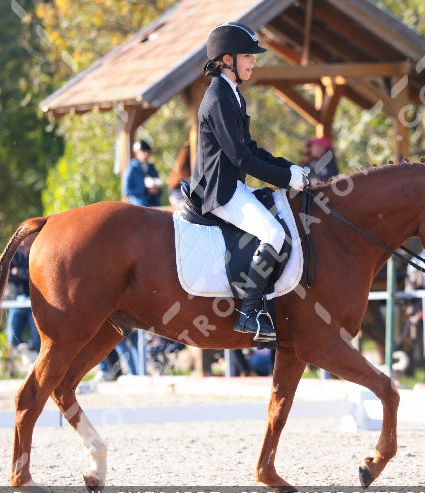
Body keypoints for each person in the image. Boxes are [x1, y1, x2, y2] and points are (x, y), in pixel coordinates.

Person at [190, 21, 307, 347]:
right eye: (247, 56)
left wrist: (289, 168)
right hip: (220, 191)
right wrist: (285, 179)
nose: (253, 61)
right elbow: (241, 158)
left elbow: (251, 149)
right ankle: (249, 312)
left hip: (233, 185)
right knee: (274, 234)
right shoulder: (218, 99)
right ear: (227, 60)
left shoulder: (232, 94)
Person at [8, 234, 40, 359]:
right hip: (17, 301)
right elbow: (8, 275)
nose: (23, 238)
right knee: (12, 336)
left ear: (33, 237)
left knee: (36, 338)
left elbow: (36, 275)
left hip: (34, 302)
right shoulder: (15, 255)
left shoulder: (38, 252)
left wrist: (18, 272)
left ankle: (35, 363)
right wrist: (24, 274)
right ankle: (30, 356)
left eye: (26, 236)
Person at [124, 139, 162, 207]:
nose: (146, 154)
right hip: (139, 206)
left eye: (148, 151)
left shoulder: (151, 167)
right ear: (137, 153)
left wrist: (156, 190)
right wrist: (145, 190)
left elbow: (158, 185)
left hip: (154, 205)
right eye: (143, 151)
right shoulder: (132, 168)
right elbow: (127, 190)